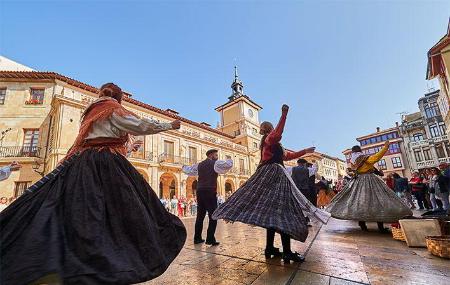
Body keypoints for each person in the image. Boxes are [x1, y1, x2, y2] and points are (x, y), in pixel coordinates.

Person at [0, 83, 187, 285]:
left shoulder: (91, 110)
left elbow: (101, 136)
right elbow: (139, 125)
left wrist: (130, 147)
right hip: (105, 161)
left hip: (84, 161)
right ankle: (113, 255)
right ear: (119, 97)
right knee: (127, 208)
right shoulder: (112, 108)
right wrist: (169, 125)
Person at [212, 104, 330, 263]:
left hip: (268, 175)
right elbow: (278, 134)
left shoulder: (270, 143)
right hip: (274, 175)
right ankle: (287, 252)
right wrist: (284, 115)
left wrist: (305, 151)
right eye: (273, 129)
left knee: (272, 213)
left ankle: (269, 248)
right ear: (269, 129)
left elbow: (288, 156)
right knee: (284, 211)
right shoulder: (269, 139)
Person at [326, 141, 412, 233]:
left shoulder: (353, 161)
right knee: (378, 201)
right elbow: (375, 158)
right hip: (369, 180)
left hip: (358, 181)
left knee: (360, 203)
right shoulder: (363, 158)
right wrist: (385, 147)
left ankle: (362, 224)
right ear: (360, 151)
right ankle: (380, 226)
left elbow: (352, 171)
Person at [182, 149, 233, 246]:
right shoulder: (215, 163)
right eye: (216, 155)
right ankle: (210, 239)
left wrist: (183, 167)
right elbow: (228, 165)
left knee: (200, 216)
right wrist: (230, 159)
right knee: (213, 215)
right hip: (210, 191)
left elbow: (188, 170)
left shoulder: (199, 165)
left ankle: (197, 238)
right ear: (211, 155)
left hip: (200, 191)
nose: (217, 157)